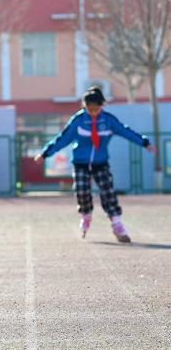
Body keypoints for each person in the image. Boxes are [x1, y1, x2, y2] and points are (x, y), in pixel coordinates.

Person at [34, 86, 155, 243]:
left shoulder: (109, 120)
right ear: (84, 106)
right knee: (82, 191)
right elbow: (62, 139)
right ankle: (86, 216)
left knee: (108, 192)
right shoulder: (78, 121)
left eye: (96, 109)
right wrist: (45, 153)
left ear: (102, 106)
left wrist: (144, 142)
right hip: (81, 163)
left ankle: (117, 225)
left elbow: (126, 132)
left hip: (100, 163)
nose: (93, 112)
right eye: (89, 109)